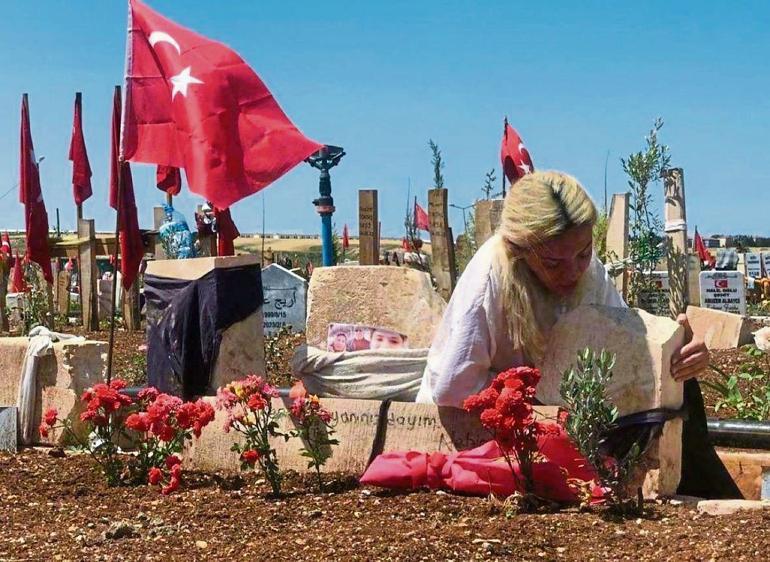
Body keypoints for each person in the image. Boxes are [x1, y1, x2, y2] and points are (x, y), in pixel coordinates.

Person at [415, 170, 740, 499]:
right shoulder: (491, 276)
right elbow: (454, 386)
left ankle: (710, 500)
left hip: (562, 422)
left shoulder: (590, 271)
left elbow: (624, 347)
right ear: (520, 250)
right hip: (482, 432)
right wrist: (541, 402)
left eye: (584, 254)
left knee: (685, 392)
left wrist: (676, 356)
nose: (572, 272)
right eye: (553, 263)